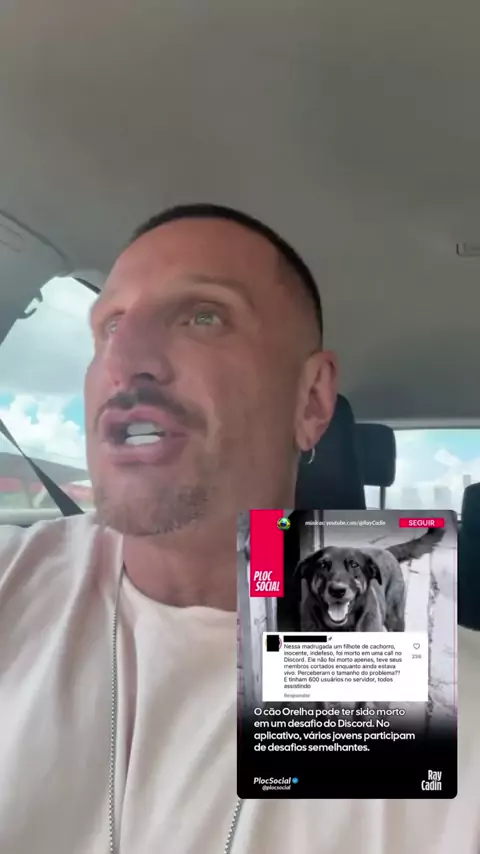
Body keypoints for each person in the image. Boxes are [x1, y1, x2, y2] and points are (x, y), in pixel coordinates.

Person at [0, 204, 478, 854]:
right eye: (108, 325)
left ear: (311, 400)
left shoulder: (444, 694)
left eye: (203, 316)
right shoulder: (13, 579)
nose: (123, 359)